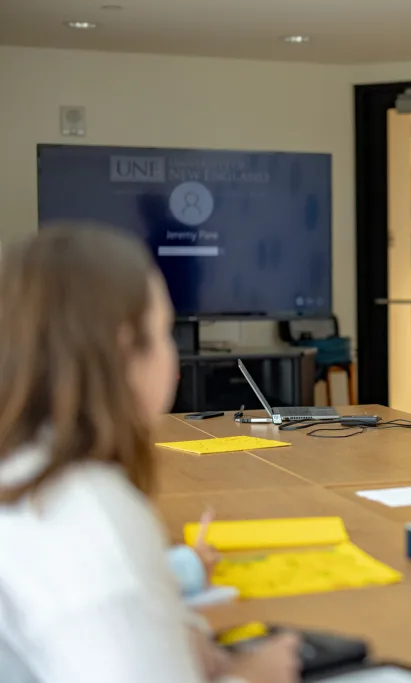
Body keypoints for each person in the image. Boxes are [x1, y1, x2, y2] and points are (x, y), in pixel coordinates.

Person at [0, 227, 299, 683]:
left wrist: (181, 635)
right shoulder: (92, 519)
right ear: (125, 349)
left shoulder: (26, 471)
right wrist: (255, 674)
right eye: (162, 331)